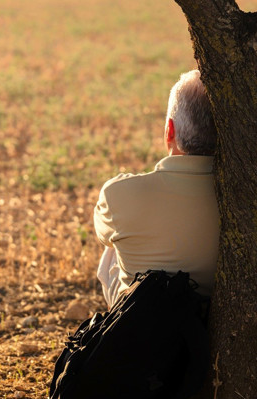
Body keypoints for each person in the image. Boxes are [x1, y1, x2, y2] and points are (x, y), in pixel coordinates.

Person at [94, 70, 219, 308]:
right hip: (207, 326)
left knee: (113, 247)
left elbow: (102, 233)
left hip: (141, 326)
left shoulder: (118, 194)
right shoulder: (244, 199)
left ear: (169, 130)